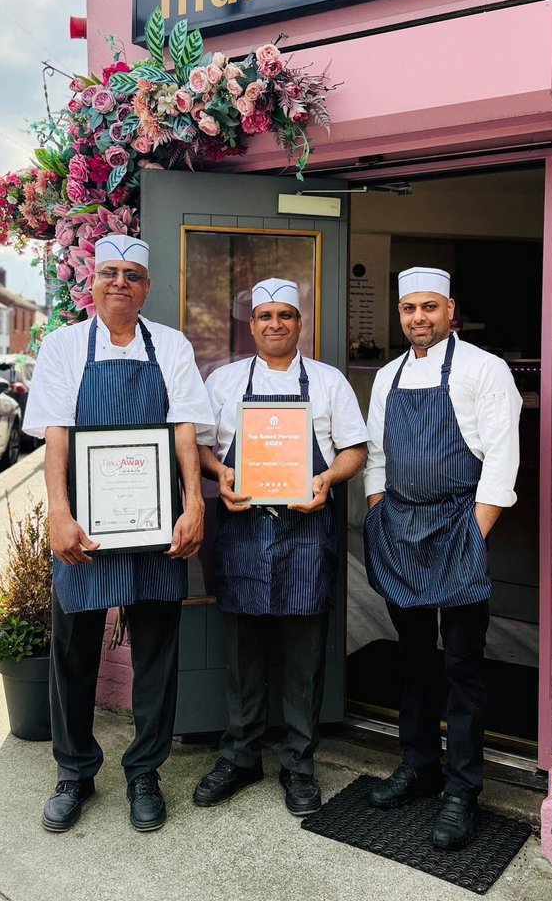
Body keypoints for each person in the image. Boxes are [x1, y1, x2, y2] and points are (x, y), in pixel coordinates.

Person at [23, 234, 214, 835]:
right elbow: (57, 432)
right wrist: (58, 512)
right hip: (85, 521)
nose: (120, 283)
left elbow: (185, 428)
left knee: (157, 650)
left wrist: (193, 505)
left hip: (158, 522)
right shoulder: (63, 346)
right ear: (93, 281)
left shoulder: (172, 345)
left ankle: (144, 772)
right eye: (110, 272)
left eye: (133, 274)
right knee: (74, 648)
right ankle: (74, 771)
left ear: (147, 287)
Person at [192, 277, 368, 816]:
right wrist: (220, 473)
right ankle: (241, 756)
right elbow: (199, 447)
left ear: (300, 322)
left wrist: (327, 481)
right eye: (265, 315)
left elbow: (354, 449)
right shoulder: (222, 381)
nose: (275, 324)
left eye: (285, 315)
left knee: (302, 656)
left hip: (306, 531)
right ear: (252, 324)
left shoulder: (328, 381)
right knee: (242, 652)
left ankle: (298, 764)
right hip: (242, 529)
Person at [363, 266, 522, 850]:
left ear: (451, 309)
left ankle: (462, 789)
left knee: (462, 667)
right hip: (400, 526)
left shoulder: (485, 369)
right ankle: (418, 764)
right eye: (409, 309)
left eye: (429, 307)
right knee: (413, 660)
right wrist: (380, 511)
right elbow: (377, 454)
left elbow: (502, 462)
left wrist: (473, 537)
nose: (418, 319)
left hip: (458, 525)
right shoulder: (387, 376)